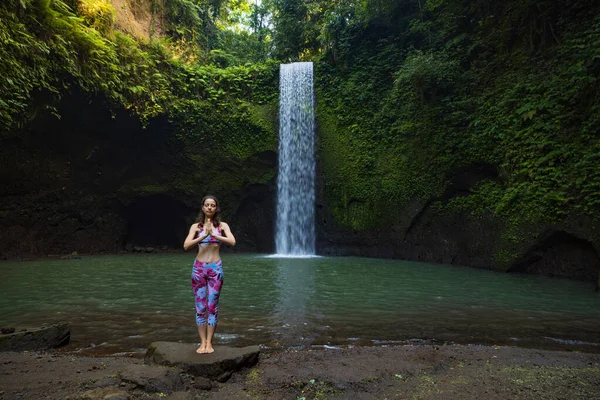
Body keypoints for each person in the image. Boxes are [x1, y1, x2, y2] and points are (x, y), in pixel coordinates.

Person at [183, 195, 236, 354]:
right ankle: (202, 342)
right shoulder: (196, 227)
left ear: (216, 208)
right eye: (207, 205)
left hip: (215, 269)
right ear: (202, 207)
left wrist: (214, 235)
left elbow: (232, 241)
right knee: (200, 307)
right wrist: (204, 236)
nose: (210, 208)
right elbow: (186, 245)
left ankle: (210, 343)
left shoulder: (222, 226)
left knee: (212, 306)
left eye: (213, 205)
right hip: (198, 269)